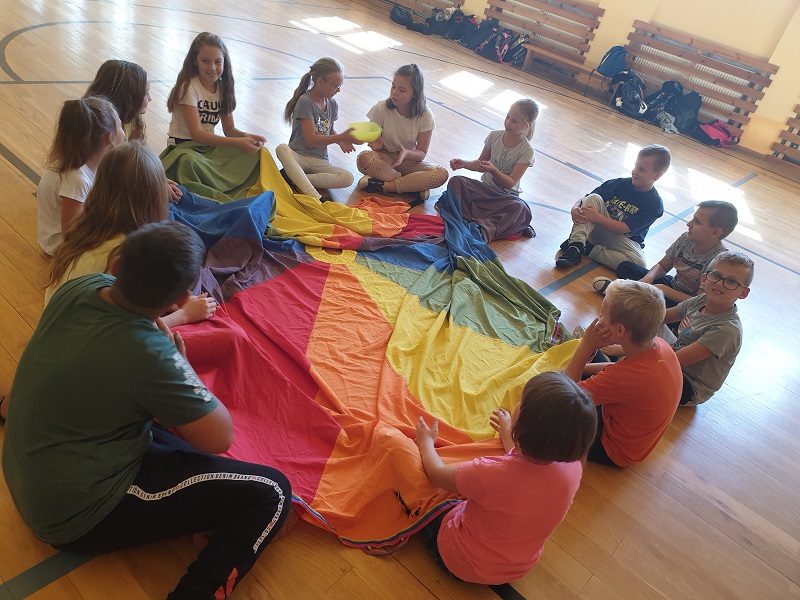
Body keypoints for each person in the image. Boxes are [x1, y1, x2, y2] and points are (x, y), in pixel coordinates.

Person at [3, 221, 291, 599]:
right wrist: (179, 363)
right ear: (180, 299)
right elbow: (219, 438)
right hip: (76, 514)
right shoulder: (153, 358)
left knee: (164, 428)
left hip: (32, 472)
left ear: (116, 264)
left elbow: (125, 336)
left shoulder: (80, 288)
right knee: (273, 492)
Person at [414, 371, 597, 585]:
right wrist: (508, 433)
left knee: (425, 494)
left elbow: (436, 474)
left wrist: (426, 442)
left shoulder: (488, 473)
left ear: (525, 426)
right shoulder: (574, 468)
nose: (517, 404)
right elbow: (526, 471)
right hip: (517, 568)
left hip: (462, 561)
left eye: (521, 402)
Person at [44, 141, 216, 325]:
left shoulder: (86, 227)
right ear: (155, 199)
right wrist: (184, 315)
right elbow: (128, 330)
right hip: (85, 335)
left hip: (57, 327)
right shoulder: (128, 254)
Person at [564, 279, 682, 467]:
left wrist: (586, 345)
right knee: (584, 367)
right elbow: (616, 369)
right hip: (634, 439)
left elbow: (564, 396)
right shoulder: (660, 344)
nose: (599, 318)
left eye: (603, 314)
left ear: (619, 330)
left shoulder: (624, 377)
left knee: (551, 408)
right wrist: (582, 367)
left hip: (611, 449)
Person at [592, 200, 737, 305]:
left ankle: (624, 294)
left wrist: (662, 290)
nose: (689, 224)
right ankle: (632, 295)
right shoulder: (686, 239)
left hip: (685, 303)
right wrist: (648, 278)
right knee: (626, 267)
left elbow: (699, 302)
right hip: (671, 285)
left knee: (668, 310)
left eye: (697, 222)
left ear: (715, 232)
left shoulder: (719, 261)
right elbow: (662, 266)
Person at [556, 145, 671, 270]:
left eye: (642, 170)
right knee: (594, 198)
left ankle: (588, 249)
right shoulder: (618, 184)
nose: (635, 172)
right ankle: (575, 247)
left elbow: (623, 228)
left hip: (619, 241)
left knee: (639, 263)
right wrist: (575, 208)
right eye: (635, 166)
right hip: (594, 229)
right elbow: (587, 198)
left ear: (657, 176)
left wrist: (597, 217)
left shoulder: (654, 204)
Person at [37, 97, 124, 255]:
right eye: (120, 126)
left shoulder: (85, 163)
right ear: (110, 137)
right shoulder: (76, 180)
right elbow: (71, 235)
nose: (123, 131)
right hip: (60, 246)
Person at [665, 251, 753, 406]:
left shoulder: (726, 330)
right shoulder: (701, 300)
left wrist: (629, 349)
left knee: (637, 373)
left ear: (743, 293)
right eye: (716, 275)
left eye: (731, 281)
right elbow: (659, 318)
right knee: (642, 323)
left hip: (688, 384)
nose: (720, 283)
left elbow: (672, 362)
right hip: (673, 356)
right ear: (704, 278)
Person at [447, 98, 539, 242]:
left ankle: (482, 222)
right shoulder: (494, 136)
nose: (508, 123)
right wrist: (463, 164)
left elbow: (510, 183)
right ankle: (489, 222)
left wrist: (493, 170)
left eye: (514, 121)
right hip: (484, 190)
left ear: (526, 125)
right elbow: (480, 164)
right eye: (507, 117)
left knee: (520, 208)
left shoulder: (527, 150)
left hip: (504, 198)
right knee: (456, 182)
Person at [356, 64, 448, 206]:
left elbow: (421, 153)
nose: (394, 93)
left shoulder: (425, 115)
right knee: (363, 159)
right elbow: (373, 139)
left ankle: (384, 185)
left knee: (442, 173)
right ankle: (411, 185)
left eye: (402, 90)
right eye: (393, 86)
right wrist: (375, 141)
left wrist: (405, 153)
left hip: (408, 161)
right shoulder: (381, 107)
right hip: (384, 158)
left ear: (415, 93)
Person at [276, 57, 361, 202]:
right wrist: (341, 137)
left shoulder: (332, 104)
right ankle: (315, 195)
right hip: (299, 157)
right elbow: (311, 140)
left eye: (340, 85)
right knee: (282, 149)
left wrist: (341, 141)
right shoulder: (305, 102)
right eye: (336, 86)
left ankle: (295, 177)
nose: (338, 90)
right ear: (320, 81)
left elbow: (329, 130)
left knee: (348, 178)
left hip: (319, 160)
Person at [166, 32, 265, 153]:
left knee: (254, 153)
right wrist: (239, 142)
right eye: (205, 61)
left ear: (224, 62)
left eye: (218, 62)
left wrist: (247, 137)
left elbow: (229, 129)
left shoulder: (223, 88)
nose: (212, 67)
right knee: (191, 161)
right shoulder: (188, 88)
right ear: (195, 60)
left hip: (206, 147)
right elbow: (197, 135)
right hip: (182, 147)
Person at [85, 59, 151, 141]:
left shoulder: (131, 118)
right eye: (146, 93)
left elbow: (135, 146)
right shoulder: (97, 129)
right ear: (128, 98)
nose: (150, 98)